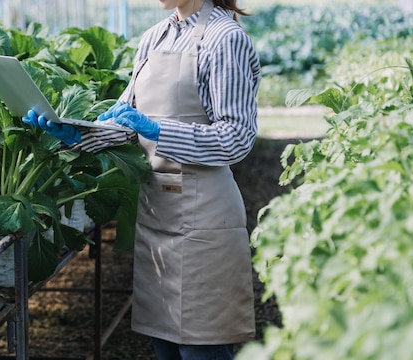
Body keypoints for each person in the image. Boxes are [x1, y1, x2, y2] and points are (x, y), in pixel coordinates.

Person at [24, 0, 261, 358]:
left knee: (200, 350)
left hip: (204, 223)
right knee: (164, 346)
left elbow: (236, 138)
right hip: (157, 217)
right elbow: (125, 125)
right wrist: (75, 134)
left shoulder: (224, 38)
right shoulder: (155, 37)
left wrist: (158, 130)